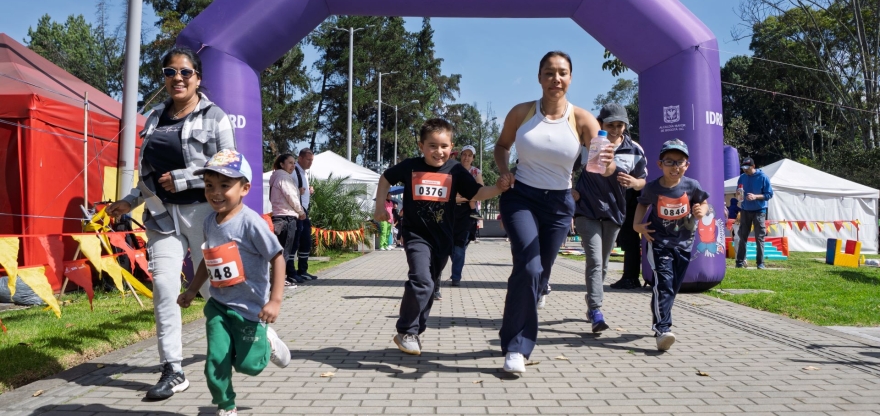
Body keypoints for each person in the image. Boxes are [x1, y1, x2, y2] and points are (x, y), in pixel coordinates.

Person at [105, 46, 235, 400]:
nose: (177, 78)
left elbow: (231, 165)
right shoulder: (154, 119)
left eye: (185, 72)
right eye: (170, 72)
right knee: (163, 288)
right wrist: (128, 201)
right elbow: (148, 176)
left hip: (203, 214)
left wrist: (185, 178)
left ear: (198, 78)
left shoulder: (215, 116)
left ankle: (254, 335)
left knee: (215, 290)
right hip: (161, 216)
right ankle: (172, 369)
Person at [493, 51, 610, 374]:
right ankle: (517, 346)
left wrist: (606, 165)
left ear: (570, 78)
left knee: (539, 274)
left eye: (562, 73)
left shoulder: (584, 120)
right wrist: (505, 172)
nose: (555, 79)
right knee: (528, 268)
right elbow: (501, 146)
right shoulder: (522, 112)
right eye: (549, 73)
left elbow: (599, 165)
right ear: (539, 77)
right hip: (521, 198)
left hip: (559, 205)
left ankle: (523, 316)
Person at [374, 118, 510, 356]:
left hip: (442, 239)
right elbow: (385, 177)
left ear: (452, 146)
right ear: (421, 146)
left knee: (429, 284)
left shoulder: (455, 170)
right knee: (421, 281)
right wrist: (378, 207)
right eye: (433, 146)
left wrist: (498, 188)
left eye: (444, 146)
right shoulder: (411, 167)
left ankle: (415, 330)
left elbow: (476, 192)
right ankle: (406, 330)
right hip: (416, 234)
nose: (439, 152)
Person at [178, 149, 290, 416]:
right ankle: (226, 406)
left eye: (225, 185)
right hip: (219, 305)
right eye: (209, 185)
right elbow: (209, 258)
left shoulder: (251, 223)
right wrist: (193, 289)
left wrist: (275, 301)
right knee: (215, 361)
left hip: (251, 309)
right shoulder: (209, 222)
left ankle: (268, 343)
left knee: (249, 365)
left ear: (244, 188)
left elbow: (278, 258)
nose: (215, 192)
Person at [571, 103, 647, 331]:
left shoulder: (635, 149)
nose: (615, 129)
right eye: (609, 125)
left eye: (619, 125)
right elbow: (565, 169)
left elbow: (644, 180)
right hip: (587, 210)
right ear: (600, 124)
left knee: (602, 265)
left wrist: (635, 183)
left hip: (615, 213)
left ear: (625, 126)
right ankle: (596, 310)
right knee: (594, 261)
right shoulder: (587, 145)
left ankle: (591, 300)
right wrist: (570, 190)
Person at [633, 139, 709, 351]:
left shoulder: (691, 185)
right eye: (669, 162)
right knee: (664, 283)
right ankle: (662, 329)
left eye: (679, 162)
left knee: (672, 287)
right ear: (660, 165)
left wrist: (703, 210)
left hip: (684, 244)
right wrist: (636, 225)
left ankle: (659, 313)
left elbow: (703, 202)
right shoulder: (653, 188)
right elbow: (642, 204)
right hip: (658, 243)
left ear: (687, 165)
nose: (675, 167)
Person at [449, 145, 484, 289]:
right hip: (451, 210)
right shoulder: (453, 169)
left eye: (470, 155)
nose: (466, 157)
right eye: (464, 154)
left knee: (460, 245)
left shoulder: (476, 172)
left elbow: (480, 189)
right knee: (452, 246)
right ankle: (456, 268)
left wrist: (464, 197)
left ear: (473, 158)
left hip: (468, 213)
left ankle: (456, 276)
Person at [268, 153, 306, 285]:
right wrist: (300, 211)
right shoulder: (283, 176)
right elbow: (290, 196)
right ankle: (279, 280)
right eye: (290, 162)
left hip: (279, 216)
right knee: (284, 251)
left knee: (280, 250)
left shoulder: (276, 177)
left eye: (294, 163)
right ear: (281, 164)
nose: (293, 165)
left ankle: (278, 279)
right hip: (287, 217)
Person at [735, 157, 773, 269]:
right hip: (745, 210)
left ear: (753, 166)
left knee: (759, 237)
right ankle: (739, 262)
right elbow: (738, 192)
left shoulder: (763, 177)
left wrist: (755, 196)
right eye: (743, 168)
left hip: (759, 211)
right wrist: (738, 195)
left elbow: (769, 194)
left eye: (747, 168)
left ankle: (760, 263)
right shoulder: (742, 178)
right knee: (742, 236)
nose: (745, 170)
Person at [610, 187, 644, 290]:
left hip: (630, 208)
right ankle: (631, 278)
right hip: (631, 206)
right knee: (630, 245)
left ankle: (629, 278)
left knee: (630, 244)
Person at [293, 148, 318, 280]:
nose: (310, 163)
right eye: (308, 160)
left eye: (312, 160)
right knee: (295, 242)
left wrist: (308, 191)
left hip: (304, 210)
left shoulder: (304, 173)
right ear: (300, 158)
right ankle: (291, 272)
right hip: (297, 211)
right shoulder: (294, 171)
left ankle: (303, 270)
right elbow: (289, 191)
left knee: (306, 241)